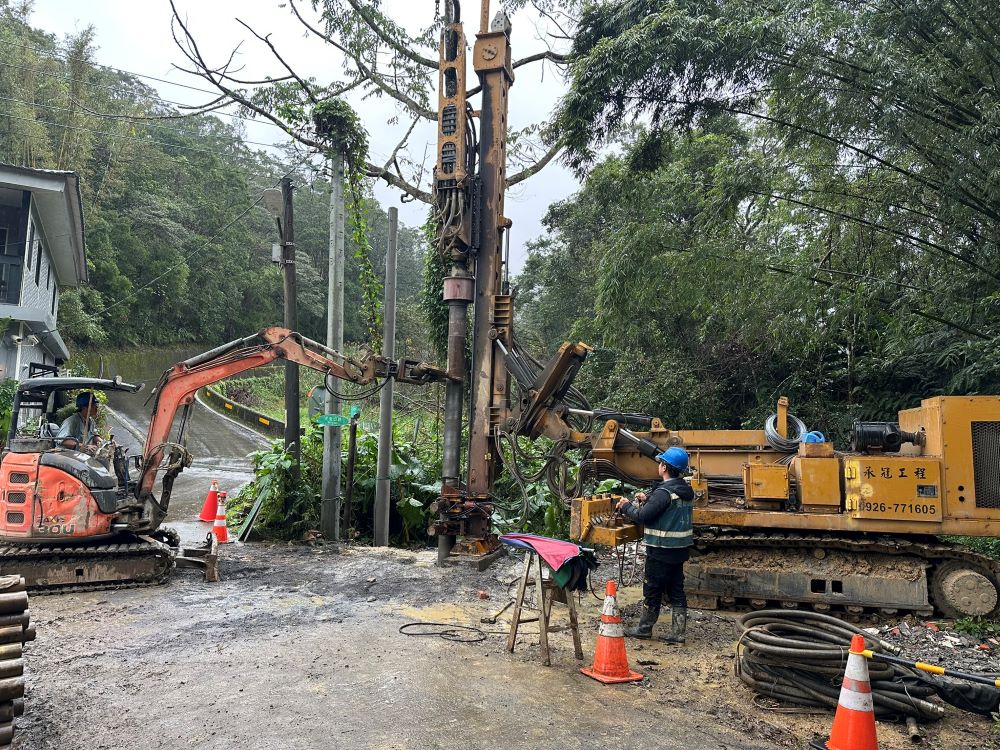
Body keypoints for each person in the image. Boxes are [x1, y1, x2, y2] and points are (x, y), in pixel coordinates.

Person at [615, 446, 694, 644]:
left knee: (652, 589)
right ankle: (678, 633)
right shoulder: (685, 490)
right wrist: (649, 499)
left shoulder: (664, 492)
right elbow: (668, 507)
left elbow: (642, 516)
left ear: (665, 467)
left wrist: (626, 506)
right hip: (679, 550)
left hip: (660, 550)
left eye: (661, 463)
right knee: (677, 590)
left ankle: (644, 629)